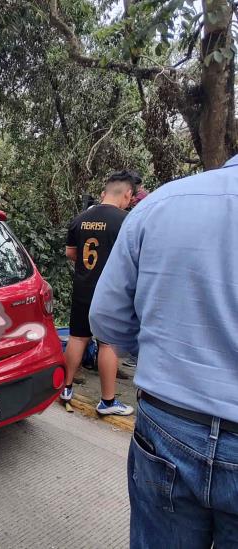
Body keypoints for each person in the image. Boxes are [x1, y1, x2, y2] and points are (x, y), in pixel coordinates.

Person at [90, 159, 238, 548]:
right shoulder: (125, 216)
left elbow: (106, 316)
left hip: (168, 423)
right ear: (123, 194)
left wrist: (156, 350)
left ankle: (98, 398)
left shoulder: (162, 204)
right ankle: (105, 400)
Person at [60, 170, 139, 416]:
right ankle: (107, 402)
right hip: (110, 293)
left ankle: (65, 388)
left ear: (105, 191)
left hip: (83, 287)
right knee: (108, 344)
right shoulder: (126, 221)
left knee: (77, 337)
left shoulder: (80, 218)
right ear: (127, 194)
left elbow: (70, 253)